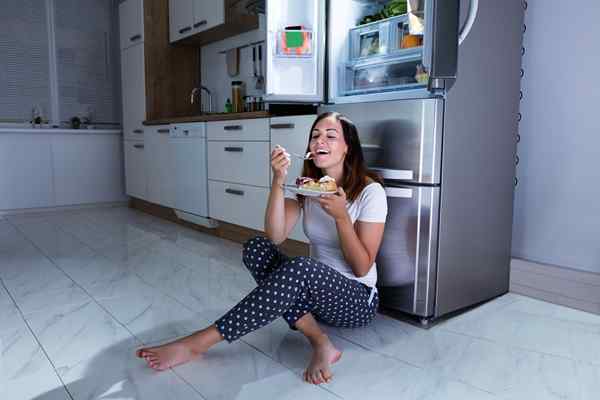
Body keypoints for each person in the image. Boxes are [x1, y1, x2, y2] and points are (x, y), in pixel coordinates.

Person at [136, 112, 388, 385]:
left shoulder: (369, 192)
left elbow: (362, 267)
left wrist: (341, 218)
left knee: (301, 268)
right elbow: (275, 236)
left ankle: (199, 342)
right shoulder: (307, 188)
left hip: (356, 300)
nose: (319, 141)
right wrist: (279, 180)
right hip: (314, 298)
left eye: (330, 136)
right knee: (257, 247)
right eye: (315, 136)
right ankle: (320, 341)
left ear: (348, 147)